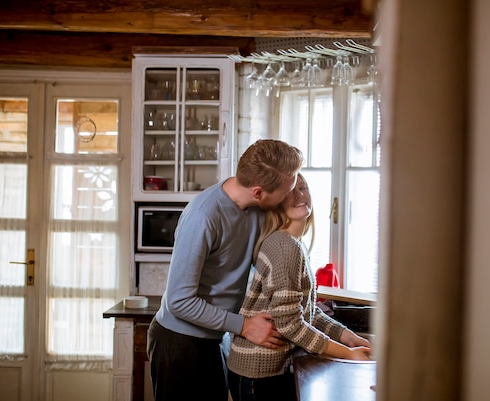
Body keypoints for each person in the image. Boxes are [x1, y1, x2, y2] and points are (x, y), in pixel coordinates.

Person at [147, 139, 304, 401]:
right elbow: (179, 301)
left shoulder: (255, 209)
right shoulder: (203, 216)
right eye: (288, 190)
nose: (291, 195)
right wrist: (243, 326)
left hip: (215, 339)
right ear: (258, 191)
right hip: (180, 344)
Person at [227, 174, 373, 401]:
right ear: (276, 202)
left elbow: (307, 312)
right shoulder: (285, 247)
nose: (299, 195)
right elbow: (291, 326)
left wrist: (348, 337)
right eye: (289, 192)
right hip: (258, 372)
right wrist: (348, 353)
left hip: (267, 368)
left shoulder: (295, 244)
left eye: (303, 188)